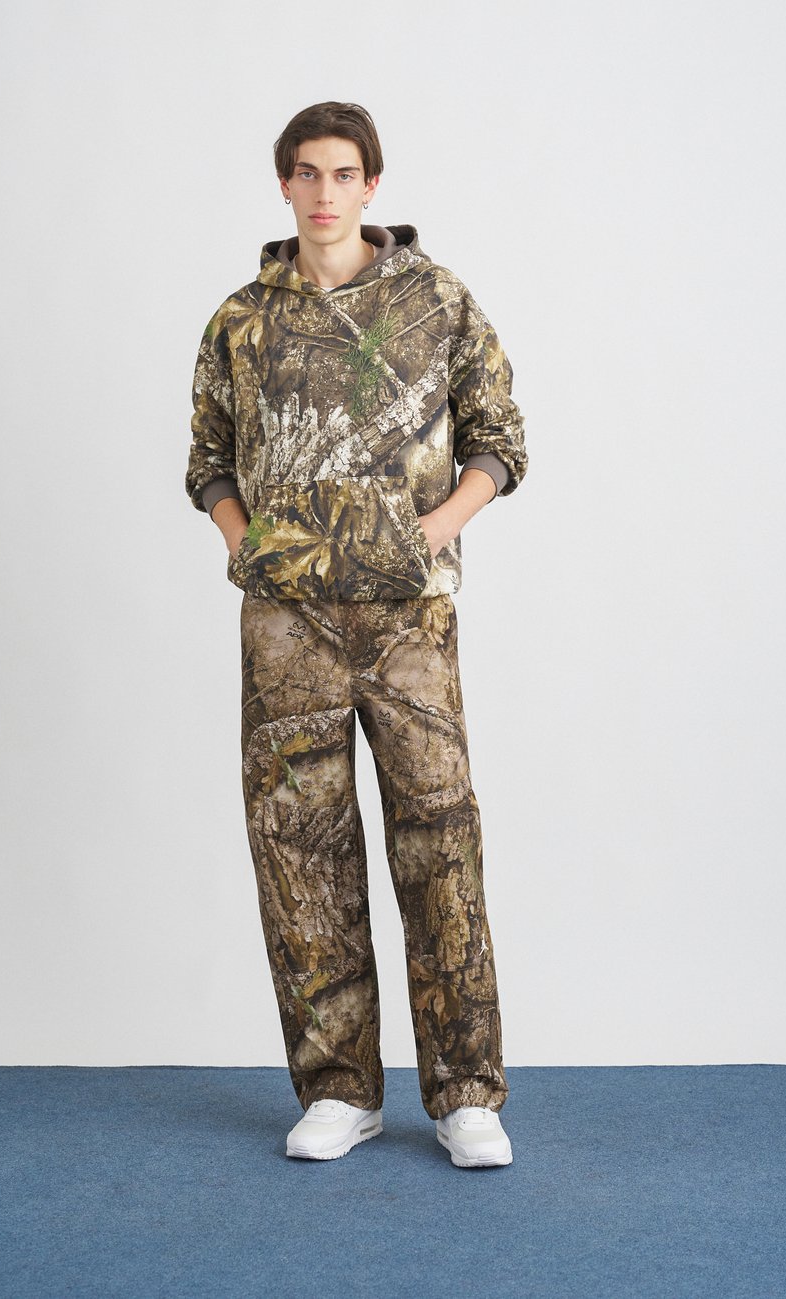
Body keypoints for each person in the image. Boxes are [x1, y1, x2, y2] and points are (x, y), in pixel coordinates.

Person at [185, 101, 528, 1169]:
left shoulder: (435, 300)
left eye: (344, 173)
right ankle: (338, 1089)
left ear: (371, 185)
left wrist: (433, 530)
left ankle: (466, 1095)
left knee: (440, 837)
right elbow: (208, 460)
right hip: (286, 627)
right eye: (307, 173)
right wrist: (245, 545)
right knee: (301, 850)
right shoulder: (242, 320)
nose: (325, 192)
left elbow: (501, 437)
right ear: (284, 185)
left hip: (407, 622)